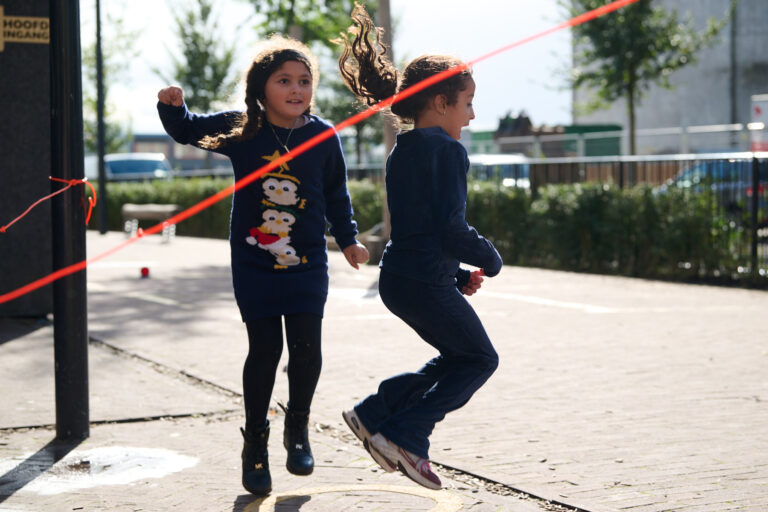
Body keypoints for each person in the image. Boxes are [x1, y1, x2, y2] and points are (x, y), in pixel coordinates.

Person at [156, 35, 369, 496]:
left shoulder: (322, 136)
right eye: (285, 81)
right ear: (261, 87)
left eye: (305, 81)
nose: (297, 90)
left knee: (307, 349)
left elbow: (337, 194)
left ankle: (298, 429)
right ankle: (255, 443)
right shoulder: (243, 129)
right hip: (254, 262)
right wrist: (173, 108)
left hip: (308, 262)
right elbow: (188, 129)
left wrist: (349, 240)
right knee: (266, 350)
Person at [335, 4, 503, 490]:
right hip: (421, 281)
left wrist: (454, 275)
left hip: (402, 278)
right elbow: (450, 227)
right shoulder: (448, 151)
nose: (473, 113)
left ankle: (376, 411)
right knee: (479, 360)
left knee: (458, 357)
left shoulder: (403, 148)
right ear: (440, 102)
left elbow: (417, 227)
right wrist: (488, 259)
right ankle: (407, 433)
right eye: (468, 102)